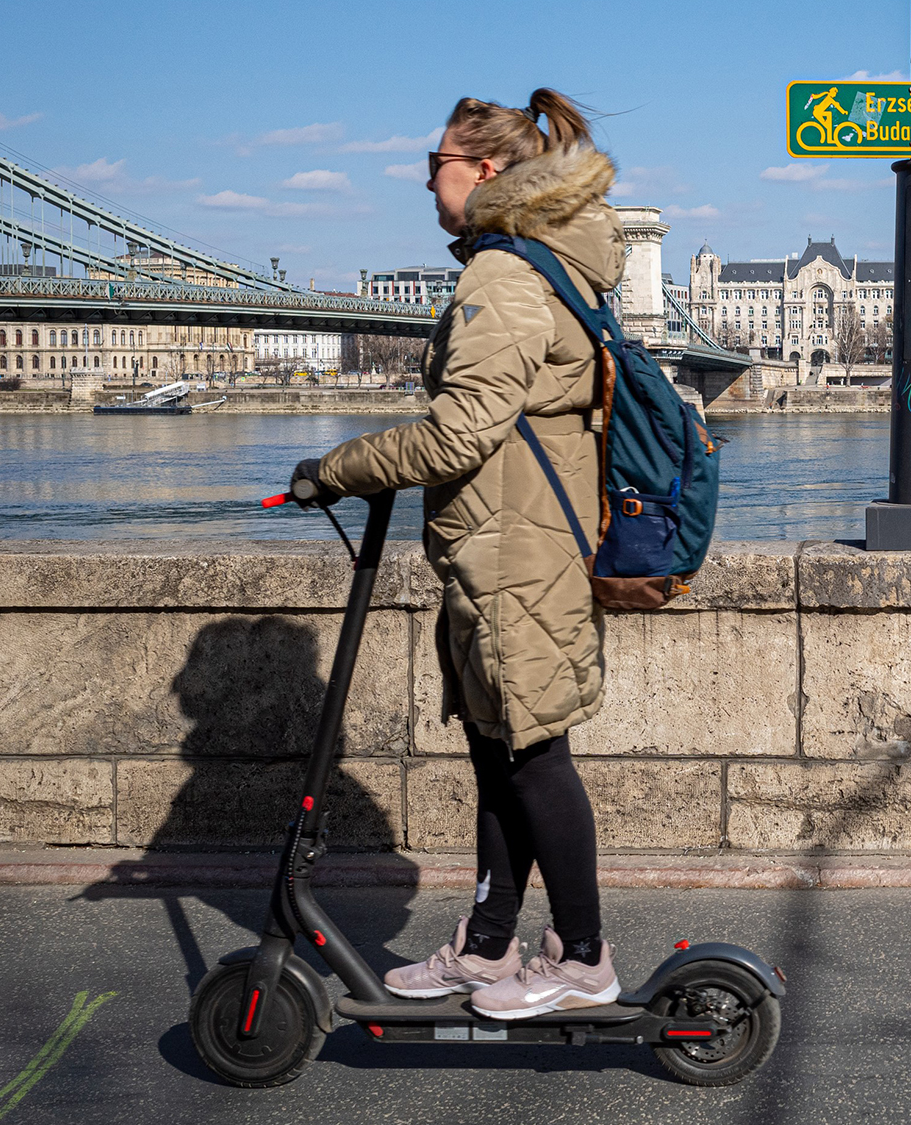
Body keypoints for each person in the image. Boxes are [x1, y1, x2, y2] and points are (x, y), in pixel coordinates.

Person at [290, 87, 622, 1020]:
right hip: (510, 543)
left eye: (432, 161)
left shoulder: (505, 275)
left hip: (518, 551)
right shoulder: (538, 262)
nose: (421, 179)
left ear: (483, 172)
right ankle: (486, 947)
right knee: (498, 749)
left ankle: (585, 956)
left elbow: (460, 432)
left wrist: (339, 467)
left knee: (533, 755)